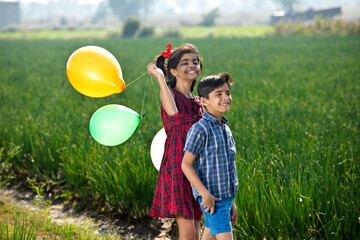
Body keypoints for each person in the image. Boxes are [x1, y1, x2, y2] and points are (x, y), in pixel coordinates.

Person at [147, 43, 205, 240]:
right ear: (173, 70)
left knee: (196, 228)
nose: (192, 66)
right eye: (185, 63)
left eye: (195, 62)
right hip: (177, 166)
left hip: (198, 167)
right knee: (188, 231)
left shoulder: (198, 102)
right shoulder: (170, 95)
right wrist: (161, 79)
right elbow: (172, 112)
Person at [182, 72, 239, 240]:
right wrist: (204, 194)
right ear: (203, 101)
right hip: (212, 199)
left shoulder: (225, 129)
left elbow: (229, 166)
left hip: (225, 198)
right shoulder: (200, 129)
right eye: (218, 94)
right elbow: (186, 164)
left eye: (228, 93)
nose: (226, 98)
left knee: (209, 236)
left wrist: (232, 202)